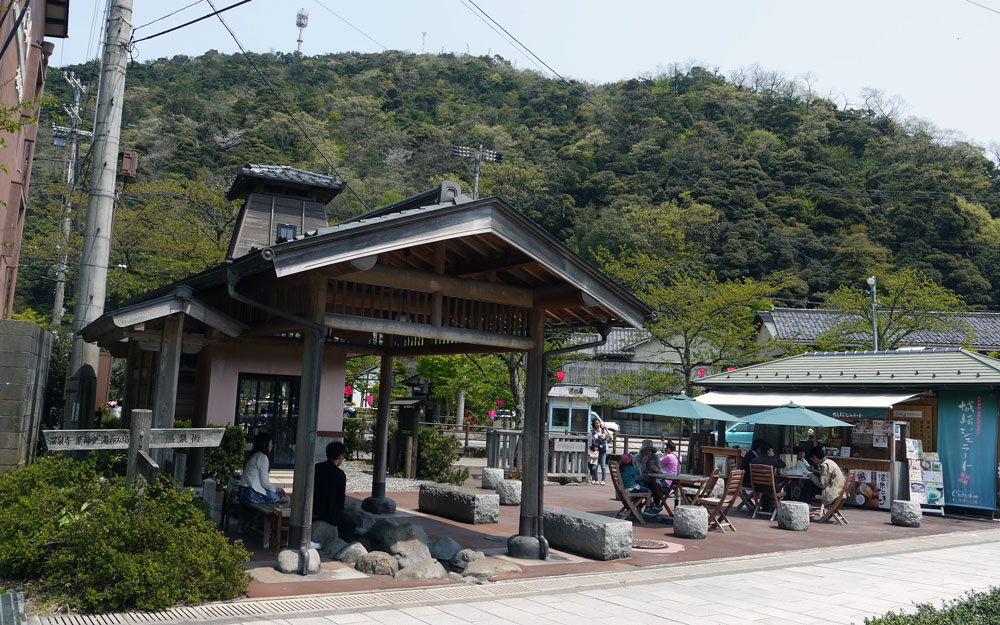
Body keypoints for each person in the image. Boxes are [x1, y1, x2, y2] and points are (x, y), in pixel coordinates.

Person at [314, 441, 357, 538]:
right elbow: (340, 500)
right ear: (340, 456)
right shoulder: (340, 474)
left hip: (313, 510)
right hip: (329, 513)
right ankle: (342, 545)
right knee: (351, 525)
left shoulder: (316, 468)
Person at [238, 432, 289, 504]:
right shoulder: (262, 457)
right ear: (265, 444)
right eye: (270, 443)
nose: (272, 445)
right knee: (286, 498)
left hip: (243, 492)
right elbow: (264, 483)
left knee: (274, 494)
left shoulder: (253, 455)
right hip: (253, 494)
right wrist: (277, 489)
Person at [749, 442, 786, 511]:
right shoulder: (772, 461)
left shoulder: (754, 460)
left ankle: (765, 508)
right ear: (769, 451)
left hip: (757, 487)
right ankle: (774, 508)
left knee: (766, 488)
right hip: (771, 488)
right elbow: (783, 465)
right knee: (779, 485)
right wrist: (774, 456)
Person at [636, 439, 664, 514]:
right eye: (646, 450)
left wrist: (657, 470)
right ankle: (638, 507)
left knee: (657, 487)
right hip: (641, 480)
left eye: (649, 450)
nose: (647, 452)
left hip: (653, 480)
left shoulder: (655, 457)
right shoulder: (638, 457)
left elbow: (662, 471)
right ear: (642, 450)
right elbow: (639, 473)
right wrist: (644, 463)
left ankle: (655, 507)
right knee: (641, 486)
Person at [589, 417, 610, 485]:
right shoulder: (592, 432)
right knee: (595, 465)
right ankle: (596, 479)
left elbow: (610, 437)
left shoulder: (603, 430)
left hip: (603, 450)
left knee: (603, 465)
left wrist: (607, 430)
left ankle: (603, 480)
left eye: (599, 423)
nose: (598, 424)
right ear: (594, 424)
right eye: (596, 423)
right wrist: (590, 450)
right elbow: (590, 442)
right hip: (596, 451)